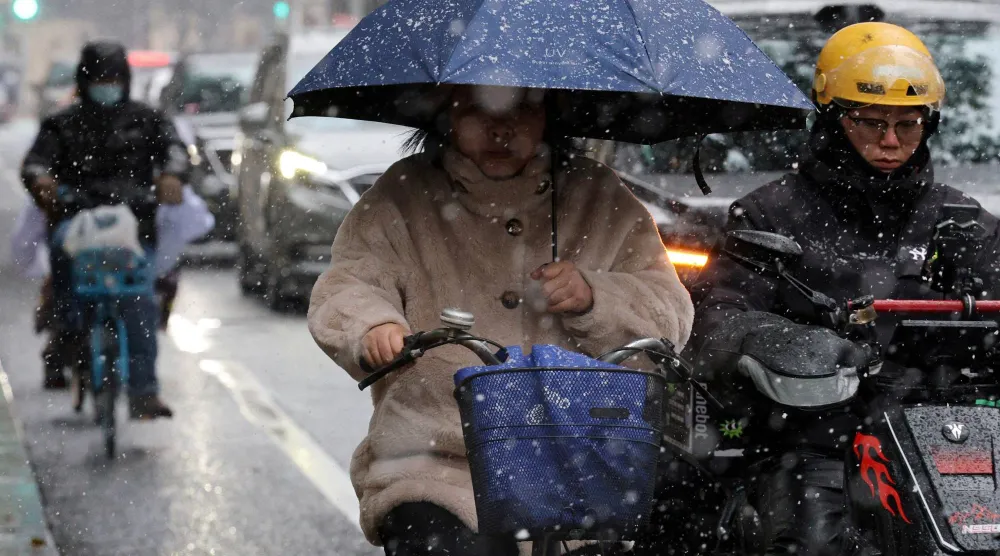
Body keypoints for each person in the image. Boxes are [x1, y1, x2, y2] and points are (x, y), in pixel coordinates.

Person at [635, 22, 1000, 556]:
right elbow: (716, 320)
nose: (891, 140)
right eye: (872, 122)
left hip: (955, 432)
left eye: (909, 123)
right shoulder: (768, 214)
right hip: (811, 441)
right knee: (813, 538)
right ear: (830, 120)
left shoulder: (963, 220)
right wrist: (783, 343)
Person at [307, 84, 694, 555]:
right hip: (435, 461)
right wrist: (372, 326)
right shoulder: (403, 196)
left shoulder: (598, 195)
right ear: (445, 112)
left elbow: (669, 310)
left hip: (577, 461)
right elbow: (350, 283)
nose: (501, 126)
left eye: (525, 108)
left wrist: (596, 296)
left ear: (551, 114)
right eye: (476, 107)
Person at [21, 41, 191, 418]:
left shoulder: (148, 120)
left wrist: (172, 176)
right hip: (75, 223)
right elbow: (35, 161)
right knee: (69, 297)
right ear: (85, 81)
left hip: (135, 227)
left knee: (141, 304)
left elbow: (175, 151)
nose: (107, 85)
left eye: (113, 78)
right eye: (100, 78)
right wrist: (41, 181)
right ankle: (64, 341)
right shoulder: (61, 124)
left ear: (125, 80)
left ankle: (144, 391)